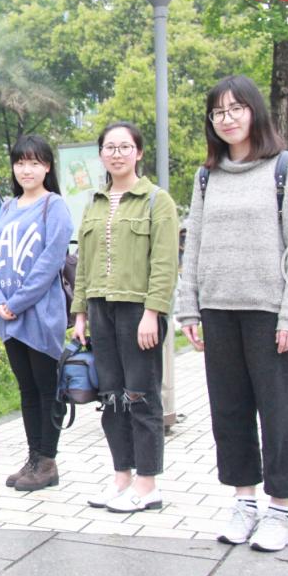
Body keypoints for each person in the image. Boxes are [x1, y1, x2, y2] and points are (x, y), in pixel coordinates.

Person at [178, 75, 288, 552]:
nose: (227, 118)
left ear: (254, 112)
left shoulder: (286, 168)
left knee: (278, 415)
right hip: (218, 312)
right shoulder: (207, 176)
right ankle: (244, 503)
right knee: (230, 412)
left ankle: (280, 510)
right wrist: (189, 308)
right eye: (218, 112)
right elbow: (194, 244)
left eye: (236, 108)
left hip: (269, 314)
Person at [71, 121, 178, 514]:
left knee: (141, 397)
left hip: (138, 311)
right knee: (112, 397)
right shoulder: (94, 203)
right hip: (101, 309)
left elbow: (165, 264)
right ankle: (122, 477)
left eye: (124, 147)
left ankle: (148, 484)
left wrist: (153, 312)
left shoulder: (156, 201)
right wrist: (80, 312)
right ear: (101, 154)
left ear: (139, 152)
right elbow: (83, 264)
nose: (116, 154)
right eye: (110, 147)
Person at [0, 135, 72, 490]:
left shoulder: (55, 206)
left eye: (35, 163)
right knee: (26, 390)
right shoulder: (8, 207)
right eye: (21, 162)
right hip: (8, 316)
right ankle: (33, 458)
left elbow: (50, 262)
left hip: (41, 315)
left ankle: (48, 462)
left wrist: (16, 302)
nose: (27, 170)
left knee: (47, 389)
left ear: (47, 167)